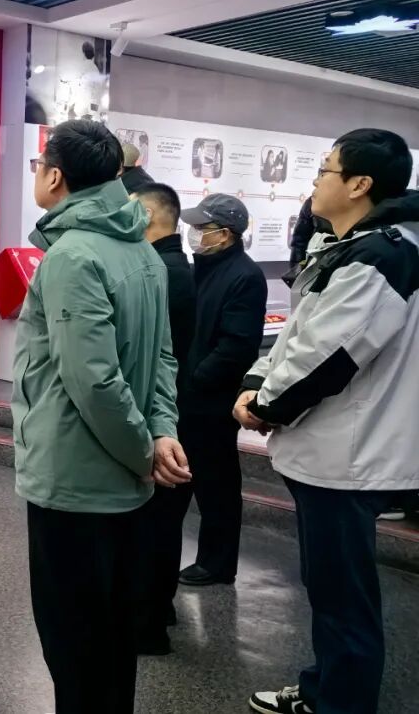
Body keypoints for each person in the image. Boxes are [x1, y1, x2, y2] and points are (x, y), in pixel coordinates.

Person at [235, 130, 418, 714]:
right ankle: (325, 688)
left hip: (348, 455)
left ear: (360, 184)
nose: (315, 181)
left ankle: (340, 703)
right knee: (331, 588)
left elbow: (330, 356)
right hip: (332, 449)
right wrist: (257, 379)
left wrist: (263, 406)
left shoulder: (381, 256)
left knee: (343, 595)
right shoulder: (348, 245)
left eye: (325, 170)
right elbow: (300, 332)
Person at [13, 120, 190, 714]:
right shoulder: (142, 249)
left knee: (73, 641)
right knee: (112, 633)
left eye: (39, 165)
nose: (37, 175)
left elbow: (93, 381)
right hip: (123, 479)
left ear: (55, 176)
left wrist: (144, 450)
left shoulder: (72, 255)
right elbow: (163, 358)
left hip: (75, 478)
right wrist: (160, 432)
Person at [175, 193, 268, 587]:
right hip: (185, 396)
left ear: (225, 234)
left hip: (211, 401)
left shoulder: (244, 276)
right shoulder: (198, 269)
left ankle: (218, 564)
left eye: (202, 228)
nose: (194, 233)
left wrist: (197, 379)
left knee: (217, 486)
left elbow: (237, 345)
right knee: (183, 481)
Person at [130, 183, 197, 654]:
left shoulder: (161, 272)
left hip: (167, 416)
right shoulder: (171, 266)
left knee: (155, 525)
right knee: (161, 523)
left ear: (149, 216)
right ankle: (157, 611)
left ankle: (148, 625)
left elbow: (157, 356)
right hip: (173, 411)